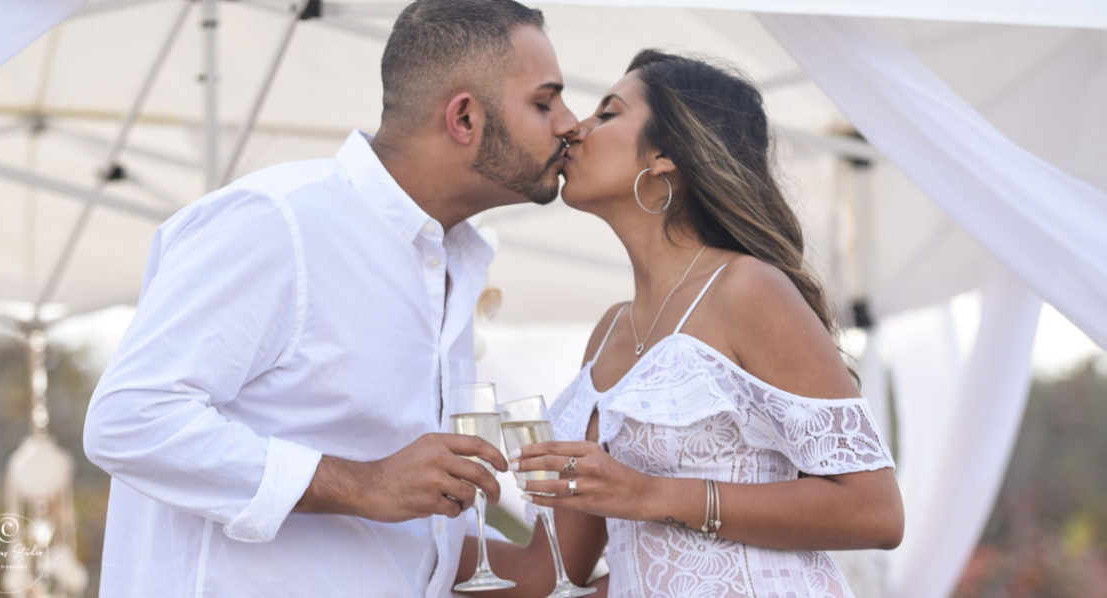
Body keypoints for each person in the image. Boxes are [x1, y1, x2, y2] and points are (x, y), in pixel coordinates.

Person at [82, 1, 577, 596]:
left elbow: (397, 529)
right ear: (464, 118)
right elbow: (129, 418)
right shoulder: (279, 222)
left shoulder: (455, 260)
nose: (570, 123)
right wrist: (362, 483)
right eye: (545, 102)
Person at [471, 50, 904, 597]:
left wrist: (650, 494)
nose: (575, 129)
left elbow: (876, 512)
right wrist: (376, 516)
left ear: (665, 156)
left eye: (607, 114)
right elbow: (547, 575)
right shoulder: (608, 333)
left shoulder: (749, 289)